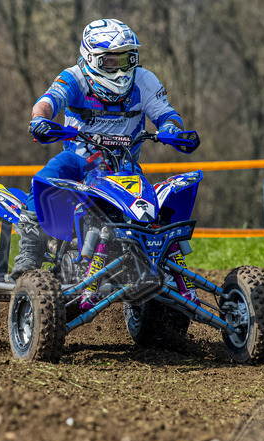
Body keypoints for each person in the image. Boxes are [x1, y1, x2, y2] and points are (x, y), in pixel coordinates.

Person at [10, 18, 193, 279]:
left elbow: (166, 114)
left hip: (124, 164)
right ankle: (30, 252)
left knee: (151, 207)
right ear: (91, 58)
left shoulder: (144, 80)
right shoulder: (74, 78)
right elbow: (47, 101)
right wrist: (40, 120)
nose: (120, 69)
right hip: (78, 160)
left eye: (126, 59)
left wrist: (172, 130)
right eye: (111, 61)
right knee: (45, 180)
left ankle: (152, 264)